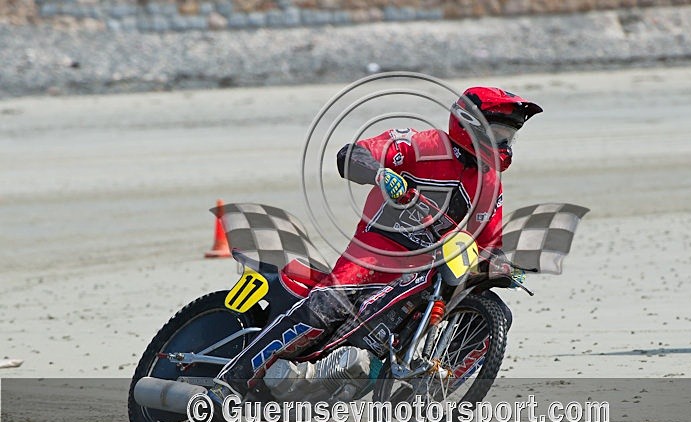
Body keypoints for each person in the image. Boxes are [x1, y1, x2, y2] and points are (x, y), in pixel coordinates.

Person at [214, 87, 543, 398]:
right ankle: (228, 382)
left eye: (509, 137)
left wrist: (504, 267)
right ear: (471, 127)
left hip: (427, 270)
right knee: (329, 304)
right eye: (499, 134)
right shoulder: (420, 144)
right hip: (375, 251)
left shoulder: (491, 185)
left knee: (497, 309)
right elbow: (351, 155)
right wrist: (379, 173)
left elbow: (489, 244)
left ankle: (421, 391)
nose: (505, 144)